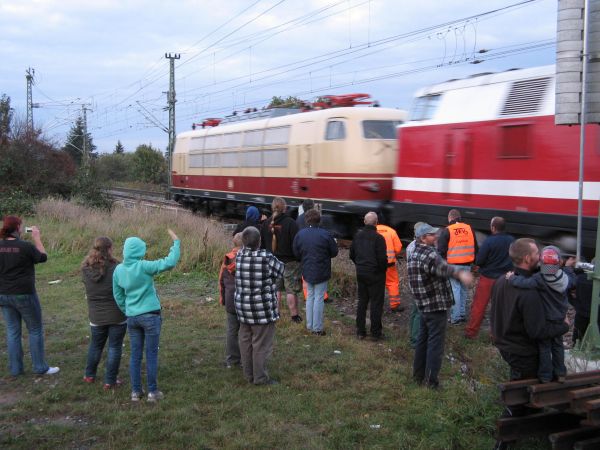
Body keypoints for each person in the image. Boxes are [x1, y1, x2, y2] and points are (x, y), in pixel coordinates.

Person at [113, 229, 180, 402]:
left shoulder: (118, 270)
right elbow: (169, 262)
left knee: (135, 354)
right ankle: (152, 392)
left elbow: (118, 295)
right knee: (151, 353)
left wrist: (128, 310)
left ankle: (136, 392)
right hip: (150, 316)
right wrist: (176, 243)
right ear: (139, 252)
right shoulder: (144, 266)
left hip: (132, 318)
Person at [490, 238, 569, 383]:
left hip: (504, 344)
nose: (540, 257)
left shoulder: (502, 280)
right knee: (525, 394)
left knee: (516, 384)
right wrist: (564, 326)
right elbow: (538, 332)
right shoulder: (531, 292)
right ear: (527, 258)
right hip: (523, 352)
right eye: (537, 253)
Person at [408, 222, 473, 388]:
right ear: (423, 238)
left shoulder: (414, 250)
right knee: (435, 344)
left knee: (423, 341)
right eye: (431, 235)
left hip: (423, 304)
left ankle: (417, 376)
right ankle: (431, 382)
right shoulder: (429, 254)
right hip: (435, 305)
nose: (435, 236)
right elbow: (444, 269)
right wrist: (461, 274)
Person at [0, 216, 59, 376]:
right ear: (18, 227)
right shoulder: (25, 246)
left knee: (12, 331)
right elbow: (43, 257)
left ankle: (16, 369)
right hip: (24, 294)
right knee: (34, 329)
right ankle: (40, 367)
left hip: (3, 294)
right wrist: (37, 238)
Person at [235, 226, 284, 385]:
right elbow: (281, 271)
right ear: (260, 241)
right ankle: (260, 378)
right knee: (261, 345)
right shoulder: (266, 257)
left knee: (245, 342)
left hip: (243, 310)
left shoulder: (239, 255)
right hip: (262, 311)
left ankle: (248, 375)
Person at [81, 237, 127, 389]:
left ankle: (89, 375)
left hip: (96, 315)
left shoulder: (85, 268)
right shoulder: (117, 267)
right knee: (114, 347)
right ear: (109, 249)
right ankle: (110, 380)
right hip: (117, 314)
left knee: (96, 345)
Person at [464, 217, 514, 339]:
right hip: (504, 279)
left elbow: (479, 261)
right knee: (499, 307)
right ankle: (495, 335)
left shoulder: (489, 241)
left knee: (479, 306)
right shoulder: (512, 241)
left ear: (493, 227)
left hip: (487, 278)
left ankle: (471, 333)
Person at [292, 209, 338, 335]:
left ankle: (309, 325)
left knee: (310, 297)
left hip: (306, 269)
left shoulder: (300, 234)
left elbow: (296, 252)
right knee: (319, 298)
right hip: (322, 270)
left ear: (307, 220)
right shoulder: (326, 234)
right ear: (319, 220)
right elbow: (334, 252)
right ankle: (317, 328)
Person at [260, 197, 302, 323]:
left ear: (272, 208)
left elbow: (262, 245)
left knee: (275, 289)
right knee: (291, 289)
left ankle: (276, 313)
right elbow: (297, 243)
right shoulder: (291, 223)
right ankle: (294, 316)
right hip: (290, 261)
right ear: (285, 208)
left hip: (272, 261)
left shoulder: (266, 223)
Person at [350, 212, 388, 340]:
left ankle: (360, 331)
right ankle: (376, 333)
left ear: (364, 222)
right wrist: (381, 271)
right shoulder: (379, 238)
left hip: (361, 273)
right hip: (376, 274)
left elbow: (352, 255)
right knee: (376, 303)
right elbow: (383, 259)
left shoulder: (357, 236)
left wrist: (359, 265)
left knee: (362, 301)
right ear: (376, 222)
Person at [437, 209, 478, 324]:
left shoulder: (447, 230)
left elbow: (441, 250)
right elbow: (475, 247)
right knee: (464, 290)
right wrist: (474, 263)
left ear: (450, 218)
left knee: (455, 290)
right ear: (459, 217)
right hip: (467, 264)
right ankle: (462, 314)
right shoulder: (469, 228)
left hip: (454, 266)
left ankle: (455, 318)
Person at [219, 233, 243, 368]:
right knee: (246, 331)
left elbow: (221, 280)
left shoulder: (227, 259)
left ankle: (232, 359)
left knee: (232, 330)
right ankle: (246, 358)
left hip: (230, 300)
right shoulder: (247, 258)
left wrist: (222, 298)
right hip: (245, 301)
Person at [376, 216, 403, 312]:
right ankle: (394, 305)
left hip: (375, 265)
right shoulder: (391, 231)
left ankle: (376, 304)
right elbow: (398, 248)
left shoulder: (372, 231)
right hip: (389, 264)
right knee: (392, 283)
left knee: (376, 283)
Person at [406, 222, 425, 349]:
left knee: (414, 311)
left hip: (413, 281)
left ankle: (412, 334)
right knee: (419, 312)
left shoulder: (409, 246)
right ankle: (415, 340)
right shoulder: (417, 247)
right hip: (419, 282)